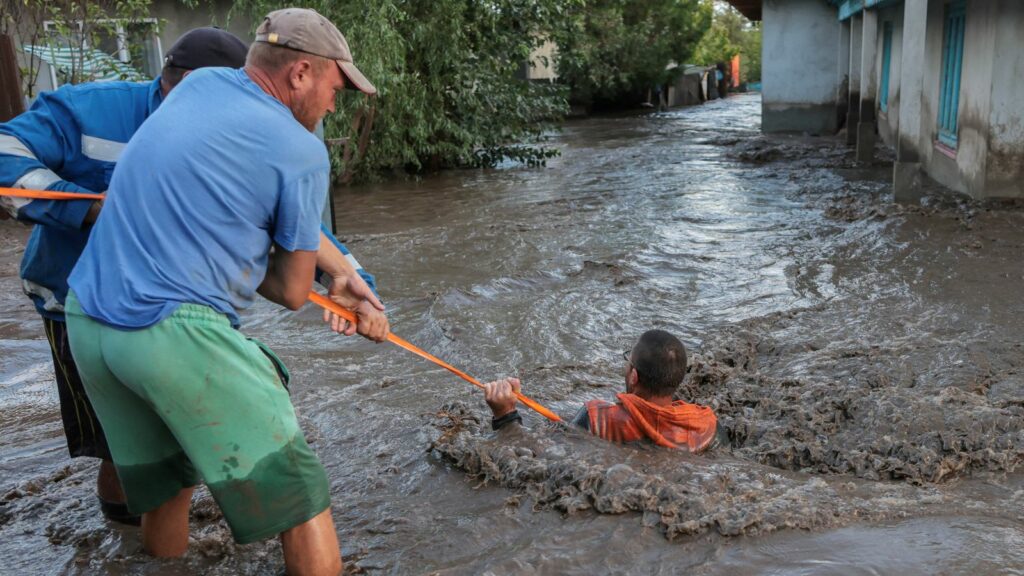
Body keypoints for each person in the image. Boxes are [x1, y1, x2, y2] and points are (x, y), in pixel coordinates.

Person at [64, 8, 381, 574]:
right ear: (301, 73)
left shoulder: (199, 84)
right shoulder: (303, 151)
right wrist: (340, 291)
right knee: (300, 498)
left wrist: (341, 273)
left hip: (88, 320)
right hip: (171, 333)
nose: (337, 104)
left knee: (169, 486)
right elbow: (288, 290)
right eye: (337, 88)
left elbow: (213, 204)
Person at [0, 27, 250, 525]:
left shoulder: (233, 131)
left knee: (186, 429)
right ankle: (126, 541)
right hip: (76, 303)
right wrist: (91, 209)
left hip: (179, 308)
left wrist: (349, 280)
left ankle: (153, 532)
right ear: (182, 85)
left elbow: (285, 225)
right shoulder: (90, 110)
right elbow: (4, 151)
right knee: (119, 442)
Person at [484, 329, 721, 452]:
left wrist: (505, 417)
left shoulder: (596, 418)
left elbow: (536, 454)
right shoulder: (708, 425)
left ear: (634, 376)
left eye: (628, 361)